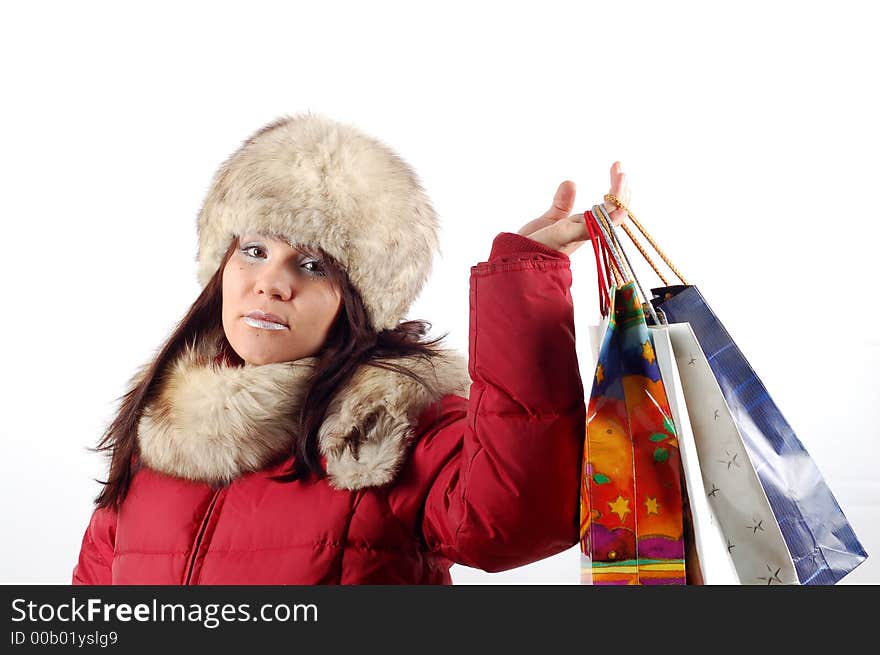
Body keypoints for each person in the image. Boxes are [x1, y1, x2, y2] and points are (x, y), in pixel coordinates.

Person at [71, 112, 629, 584]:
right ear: (221, 266)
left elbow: (509, 524)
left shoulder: (394, 422)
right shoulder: (159, 430)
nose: (271, 283)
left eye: (312, 265)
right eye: (255, 250)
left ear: (359, 300)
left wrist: (521, 285)